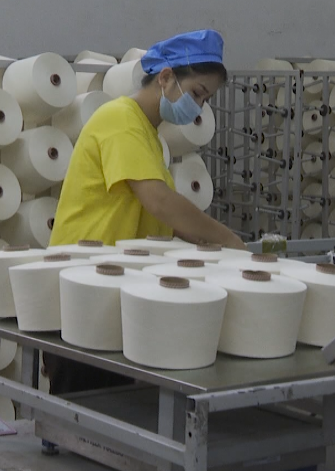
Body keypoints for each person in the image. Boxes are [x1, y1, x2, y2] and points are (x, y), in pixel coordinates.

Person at [44, 29, 246, 394]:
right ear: (166, 77)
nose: (199, 107)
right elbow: (159, 201)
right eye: (197, 93)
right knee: (84, 409)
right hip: (86, 291)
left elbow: (157, 215)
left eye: (206, 100)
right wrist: (231, 242)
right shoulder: (120, 120)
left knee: (114, 407)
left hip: (113, 290)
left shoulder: (147, 134)